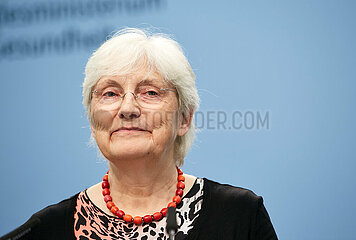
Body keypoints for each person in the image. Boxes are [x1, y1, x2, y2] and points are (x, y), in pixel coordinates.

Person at [1, 28, 278, 240]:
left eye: (150, 92)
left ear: (184, 118)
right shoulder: (44, 229)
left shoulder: (240, 217)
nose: (128, 108)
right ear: (92, 117)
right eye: (110, 93)